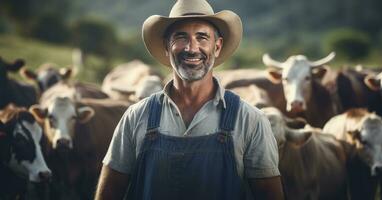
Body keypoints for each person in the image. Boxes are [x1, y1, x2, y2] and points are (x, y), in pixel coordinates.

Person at [95, 0, 284, 199]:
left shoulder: (250, 120)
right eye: (181, 37)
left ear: (217, 47)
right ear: (167, 47)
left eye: (202, 37)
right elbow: (110, 191)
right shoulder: (136, 116)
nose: (192, 48)